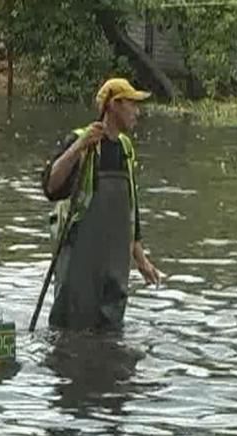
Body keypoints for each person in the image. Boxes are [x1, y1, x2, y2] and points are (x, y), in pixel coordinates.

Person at [41, 77, 165, 331]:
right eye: (132, 105)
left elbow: (131, 211)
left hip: (114, 269)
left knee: (110, 337)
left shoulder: (125, 149)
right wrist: (79, 146)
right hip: (79, 264)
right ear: (114, 105)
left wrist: (141, 261)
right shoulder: (82, 142)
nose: (137, 112)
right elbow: (50, 186)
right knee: (70, 334)